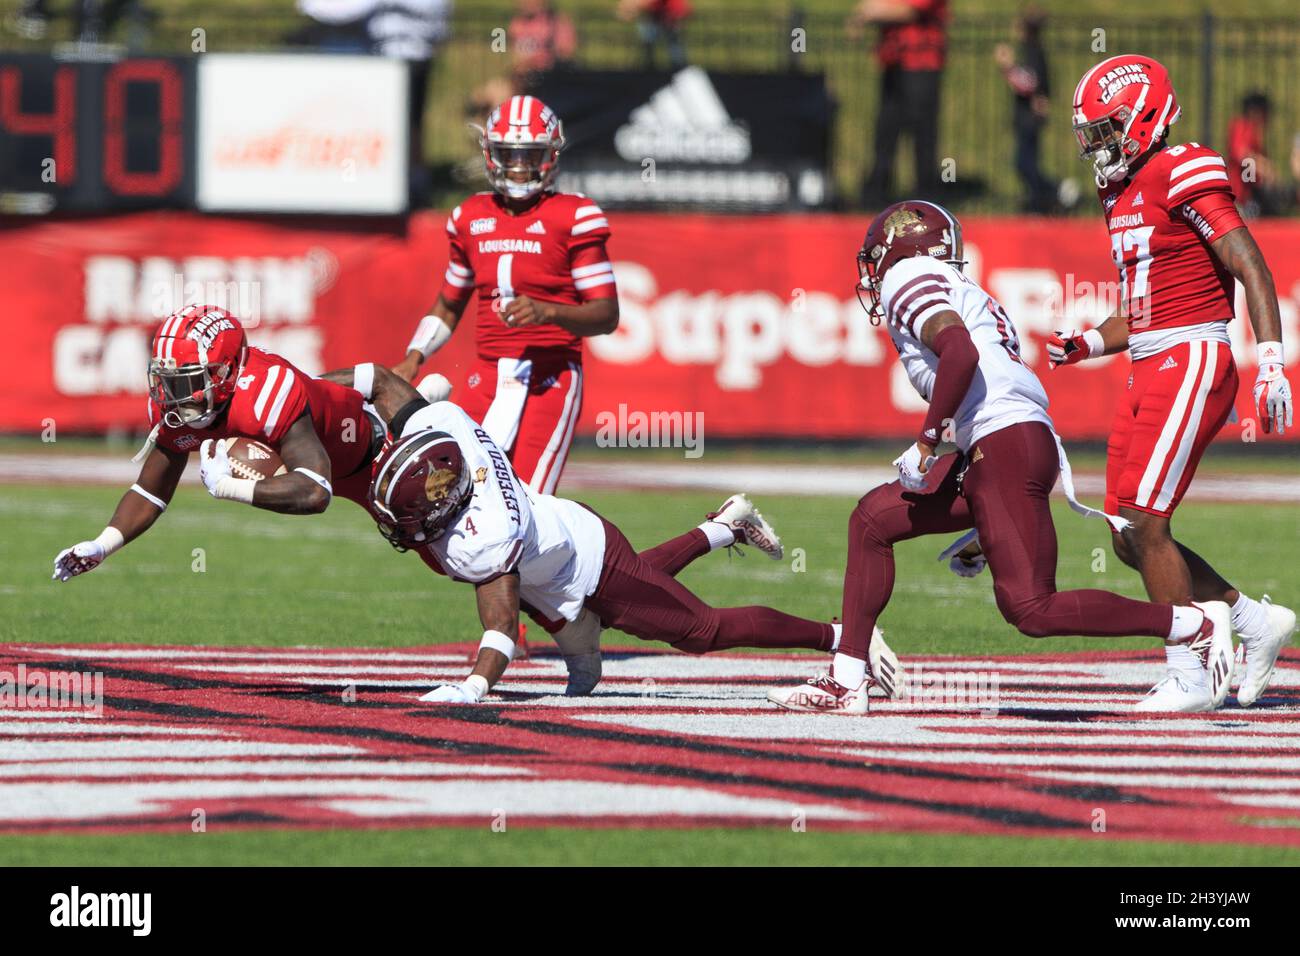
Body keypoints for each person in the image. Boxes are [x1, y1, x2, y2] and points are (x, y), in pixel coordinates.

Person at [767, 200, 1234, 716]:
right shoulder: (963, 287)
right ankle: (847, 680)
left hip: (1004, 446)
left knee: (1032, 610)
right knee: (873, 520)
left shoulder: (909, 274)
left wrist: (926, 442)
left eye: (877, 259)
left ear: (899, 249)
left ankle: (1195, 624)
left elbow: (960, 353)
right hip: (1004, 445)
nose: (874, 274)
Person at [321, 362, 904, 701]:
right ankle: (724, 527)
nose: (407, 524)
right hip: (569, 542)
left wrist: (472, 688)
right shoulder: (446, 424)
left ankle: (839, 637)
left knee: (699, 631)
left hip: (587, 564)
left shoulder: (485, 537)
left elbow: (500, 631)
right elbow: (379, 378)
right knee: (632, 599)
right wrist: (309, 391)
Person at [1047, 54, 1295, 710]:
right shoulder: (1120, 189)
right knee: (1125, 536)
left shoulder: (1182, 166)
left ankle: (1193, 675)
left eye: (1107, 131)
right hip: (1150, 359)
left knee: (1145, 521)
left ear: (1144, 116)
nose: (1098, 147)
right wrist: (1090, 342)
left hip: (1193, 358)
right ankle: (1250, 620)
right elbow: (1145, 305)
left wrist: (1271, 358)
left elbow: (1251, 265)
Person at [50, 305, 392, 583]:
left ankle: (420, 411)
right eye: (168, 381)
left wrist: (226, 487)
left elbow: (316, 492)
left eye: (188, 381)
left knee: (441, 552)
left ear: (226, 372)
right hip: (331, 465)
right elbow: (150, 491)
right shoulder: (175, 410)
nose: (174, 396)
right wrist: (101, 545)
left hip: (377, 451)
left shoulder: (265, 391)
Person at [392, 96, 618, 496]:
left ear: (549, 155)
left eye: (529, 155)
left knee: (528, 505)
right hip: (486, 377)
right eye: (508, 154)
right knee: (457, 496)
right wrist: (414, 357)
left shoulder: (575, 216)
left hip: (549, 378)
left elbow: (605, 314)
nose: (517, 166)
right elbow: (449, 302)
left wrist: (548, 311)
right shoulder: (469, 217)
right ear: (490, 154)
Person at [849, 0, 948, 205]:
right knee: (886, 128)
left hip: (922, 61)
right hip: (894, 59)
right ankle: (877, 191)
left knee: (923, 131)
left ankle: (926, 195)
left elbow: (908, 10)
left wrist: (869, 13)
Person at [994, 7, 1056, 213]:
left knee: (1024, 163)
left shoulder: (1033, 50)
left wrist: (1008, 67)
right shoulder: (1032, 49)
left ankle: (1051, 195)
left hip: (1029, 118)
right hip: (1026, 117)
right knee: (1025, 162)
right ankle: (1044, 196)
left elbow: (1029, 82)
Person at [1226, 92, 1278, 217]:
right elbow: (1241, 154)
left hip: (1251, 198)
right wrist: (1263, 167)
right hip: (1240, 198)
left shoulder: (1254, 132)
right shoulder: (1242, 126)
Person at [617, 0, 690, 71]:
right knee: (650, 40)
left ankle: (679, 69)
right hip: (658, 14)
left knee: (673, 44)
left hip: (671, 13)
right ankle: (650, 66)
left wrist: (633, 6)